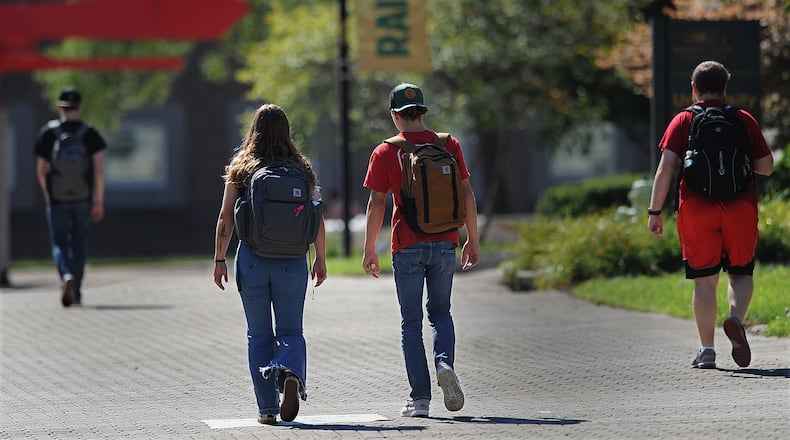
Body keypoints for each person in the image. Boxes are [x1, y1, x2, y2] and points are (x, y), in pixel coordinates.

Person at [362, 83, 481, 417]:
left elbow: (376, 203)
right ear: (423, 112)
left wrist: (370, 248)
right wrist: (472, 238)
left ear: (394, 115)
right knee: (441, 312)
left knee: (410, 323)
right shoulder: (449, 144)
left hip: (408, 245)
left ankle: (420, 400)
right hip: (445, 243)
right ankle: (444, 364)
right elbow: (467, 194)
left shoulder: (386, 151)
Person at [647, 61, 774, 369]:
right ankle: (735, 320)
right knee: (740, 272)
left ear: (693, 88)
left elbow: (666, 169)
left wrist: (654, 210)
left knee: (704, 281)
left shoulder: (683, 120)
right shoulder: (743, 118)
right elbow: (767, 167)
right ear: (725, 89)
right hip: (740, 206)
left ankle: (706, 350)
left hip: (696, 207)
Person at [212, 104, 327, 425]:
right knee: (291, 329)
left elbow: (225, 218)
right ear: (286, 131)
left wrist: (220, 258)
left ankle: (266, 408)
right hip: (292, 260)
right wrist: (320, 258)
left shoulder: (242, 167)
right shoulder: (302, 168)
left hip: (252, 260)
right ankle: (290, 372)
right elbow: (316, 215)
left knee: (258, 335)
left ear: (254, 130)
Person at [35, 87, 106, 307]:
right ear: (80, 107)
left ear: (60, 107)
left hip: (57, 198)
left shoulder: (49, 132)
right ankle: (76, 291)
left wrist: (48, 193)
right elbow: (98, 170)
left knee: (59, 242)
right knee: (79, 243)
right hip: (83, 198)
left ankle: (66, 275)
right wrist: (98, 200)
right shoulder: (89, 133)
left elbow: (39, 169)